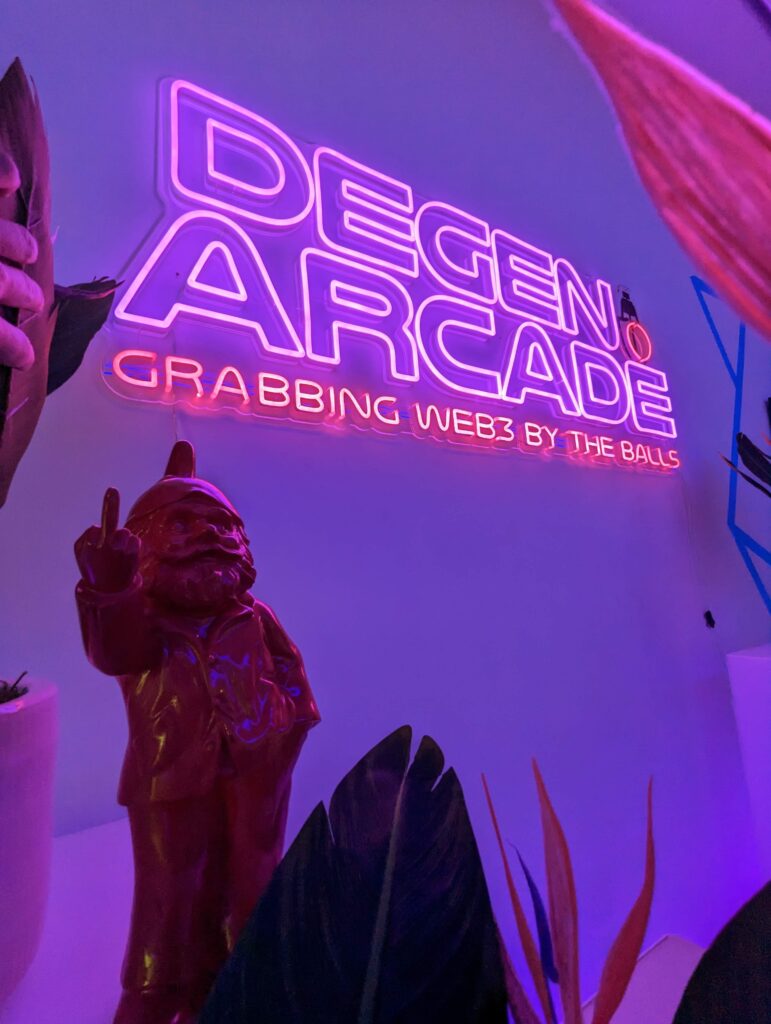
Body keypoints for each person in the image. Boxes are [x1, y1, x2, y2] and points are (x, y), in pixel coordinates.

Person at [74, 440, 320, 1024]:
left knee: (251, 882)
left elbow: (294, 677)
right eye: (182, 524)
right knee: (169, 898)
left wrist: (283, 728)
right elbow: (114, 651)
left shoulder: (253, 614)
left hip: (257, 767)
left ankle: (243, 986)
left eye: (223, 525)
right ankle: (159, 992)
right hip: (170, 774)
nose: (210, 535)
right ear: (142, 541)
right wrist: (109, 588)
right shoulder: (144, 615)